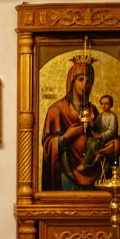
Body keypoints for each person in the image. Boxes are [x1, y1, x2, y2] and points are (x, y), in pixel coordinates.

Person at [41, 56, 99, 190]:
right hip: (66, 173)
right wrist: (66, 137)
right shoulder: (56, 110)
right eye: (81, 79)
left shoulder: (93, 110)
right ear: (71, 81)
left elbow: (99, 136)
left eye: (89, 81)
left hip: (91, 170)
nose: (85, 84)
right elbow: (47, 145)